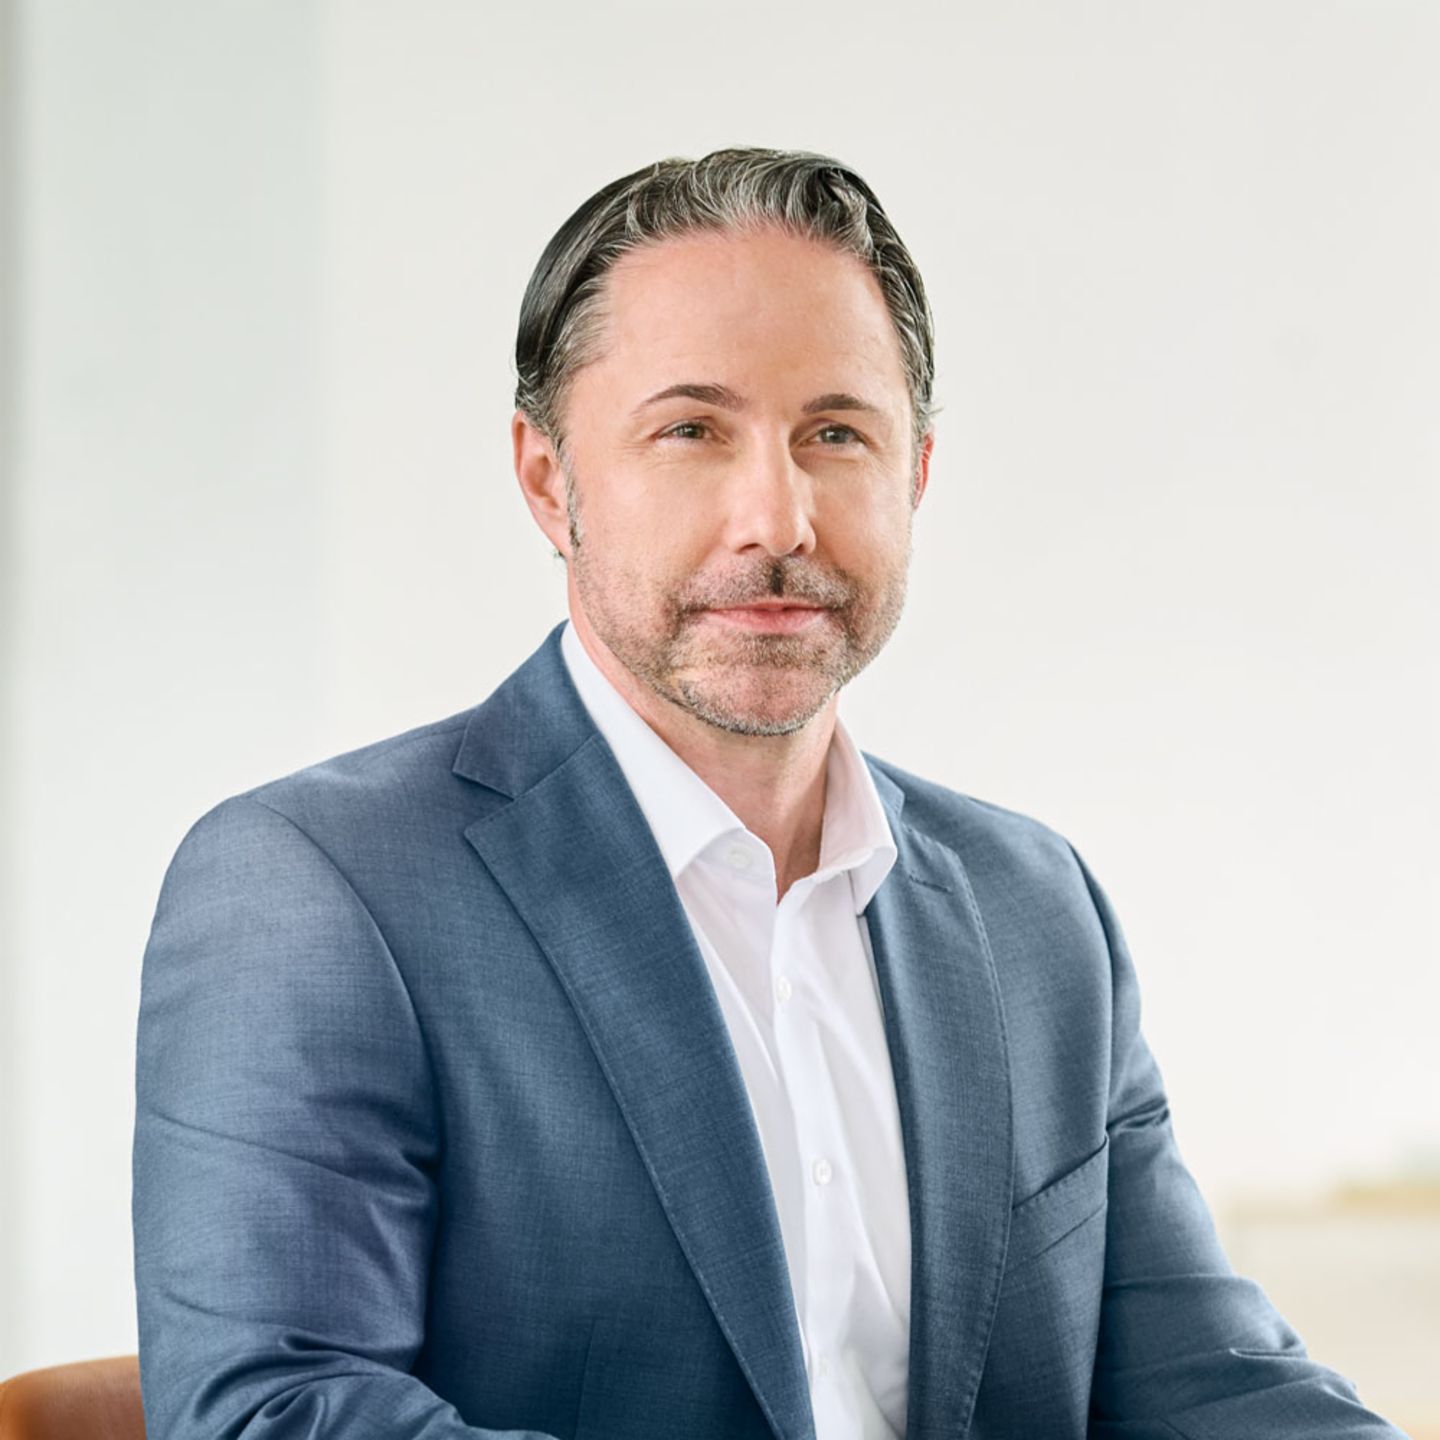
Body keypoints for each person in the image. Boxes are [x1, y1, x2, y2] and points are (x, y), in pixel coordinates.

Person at [131, 148, 1403, 1440]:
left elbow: (1214, 1387)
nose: (777, 517)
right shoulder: (317, 890)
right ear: (545, 480)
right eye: (692, 431)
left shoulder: (1038, 909)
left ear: (915, 476)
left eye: (835, 434)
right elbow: (273, 1411)